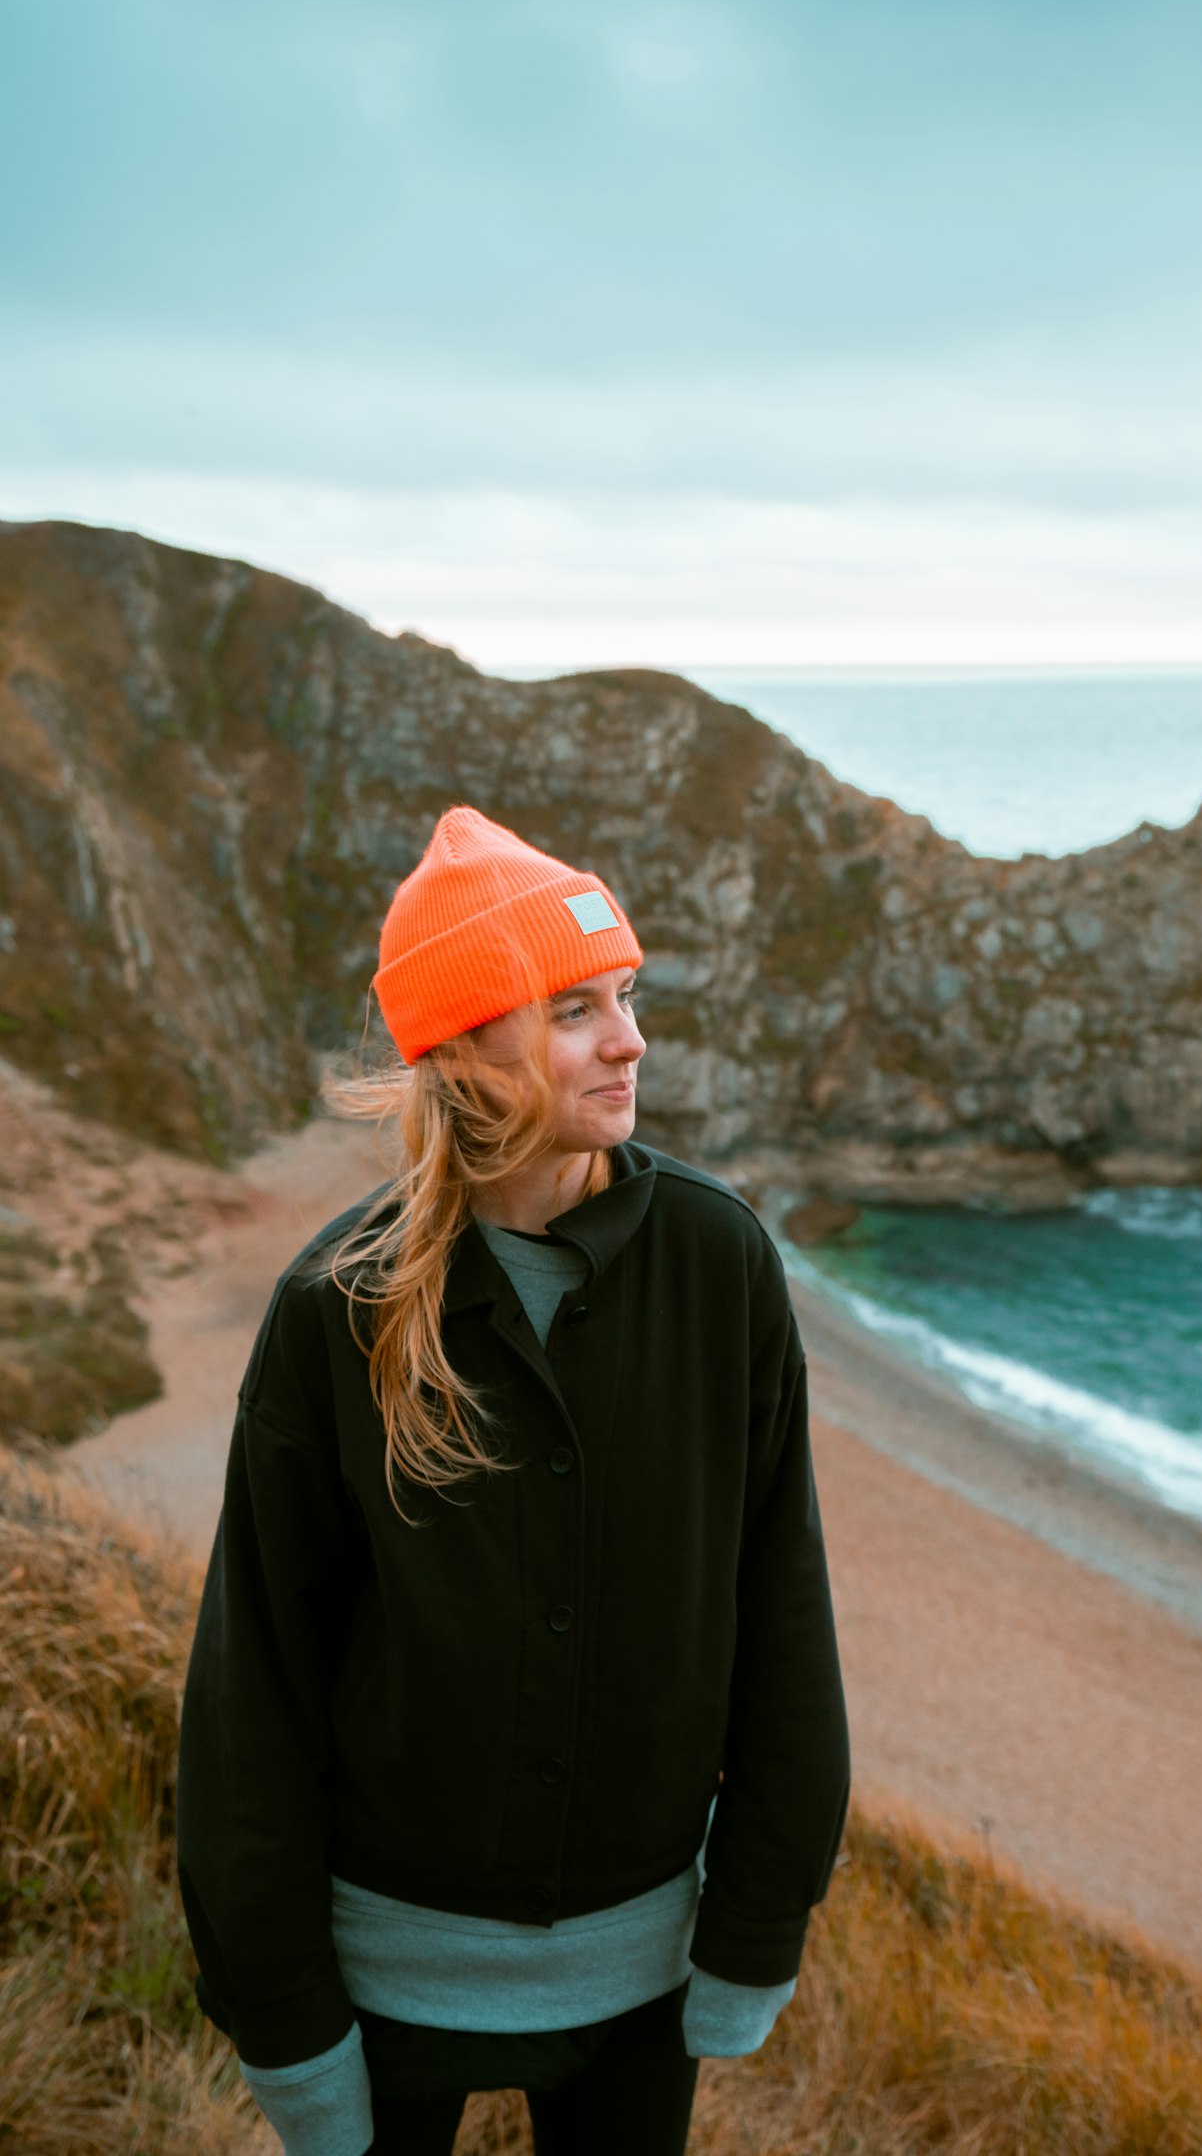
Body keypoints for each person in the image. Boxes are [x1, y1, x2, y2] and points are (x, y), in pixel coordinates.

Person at [177, 806, 851, 2156]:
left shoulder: (721, 1267)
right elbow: (252, 1693)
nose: (630, 1038)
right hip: (381, 1989)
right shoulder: (337, 1308)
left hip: (642, 1991)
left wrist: (757, 1925)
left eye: (628, 997)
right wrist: (287, 2021)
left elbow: (784, 1614)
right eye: (574, 1010)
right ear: (466, 1050)